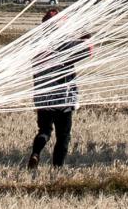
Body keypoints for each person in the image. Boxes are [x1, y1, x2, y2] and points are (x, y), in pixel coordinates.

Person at [27, 9, 90, 170]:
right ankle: (57, 168)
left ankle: (36, 153)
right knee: (63, 136)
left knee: (45, 130)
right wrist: (85, 35)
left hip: (42, 97)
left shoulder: (36, 44)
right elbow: (88, 50)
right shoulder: (64, 43)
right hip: (63, 99)